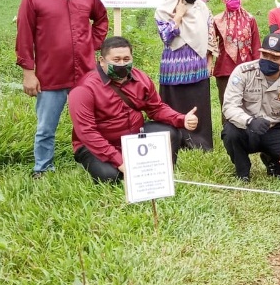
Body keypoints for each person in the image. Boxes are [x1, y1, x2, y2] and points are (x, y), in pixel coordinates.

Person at [16, 0, 109, 179]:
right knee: (46, 127)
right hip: (50, 74)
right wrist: (28, 71)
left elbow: (101, 19)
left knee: (90, 121)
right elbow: (24, 35)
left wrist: (93, 44)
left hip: (85, 73)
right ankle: (43, 167)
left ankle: (93, 159)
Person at [68, 37, 198, 183]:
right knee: (110, 176)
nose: (122, 64)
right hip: (97, 144)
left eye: (126, 59)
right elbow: (87, 132)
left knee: (171, 133)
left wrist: (181, 118)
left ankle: (161, 173)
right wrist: (120, 162)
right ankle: (119, 166)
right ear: (102, 61)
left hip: (134, 137)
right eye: (116, 60)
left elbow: (156, 108)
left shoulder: (141, 78)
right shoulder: (84, 89)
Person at [221, 34, 280, 182]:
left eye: (274, 58)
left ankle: (274, 165)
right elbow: (229, 106)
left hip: (274, 130)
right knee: (230, 132)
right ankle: (243, 172)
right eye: (265, 55)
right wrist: (249, 120)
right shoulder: (243, 72)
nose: (268, 61)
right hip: (246, 128)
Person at [155, 0, 218, 151]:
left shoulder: (202, 7)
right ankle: (176, 141)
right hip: (173, 69)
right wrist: (179, 15)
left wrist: (210, 60)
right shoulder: (164, 9)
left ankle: (199, 143)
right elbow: (166, 36)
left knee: (198, 105)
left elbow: (210, 35)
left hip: (198, 68)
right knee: (174, 106)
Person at [213, 0, 261, 116]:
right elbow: (210, 44)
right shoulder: (217, 20)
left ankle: (250, 132)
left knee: (249, 103)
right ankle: (228, 133)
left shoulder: (250, 19)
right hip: (225, 69)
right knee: (227, 102)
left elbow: (256, 44)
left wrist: (258, 67)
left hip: (247, 68)